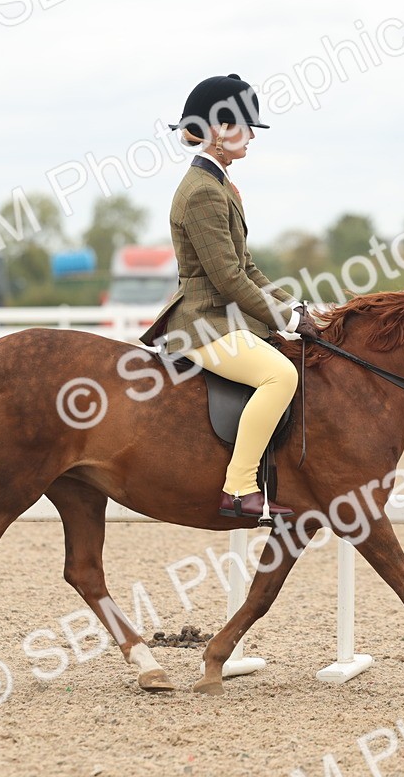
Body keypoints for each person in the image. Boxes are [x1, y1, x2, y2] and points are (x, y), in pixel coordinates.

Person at [140, 73, 320, 521]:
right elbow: (227, 282)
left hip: (226, 317)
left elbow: (249, 268)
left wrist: (297, 308)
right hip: (203, 321)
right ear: (219, 129)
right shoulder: (202, 191)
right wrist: (289, 323)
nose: (252, 137)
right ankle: (239, 488)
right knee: (280, 376)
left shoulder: (219, 185)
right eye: (245, 126)